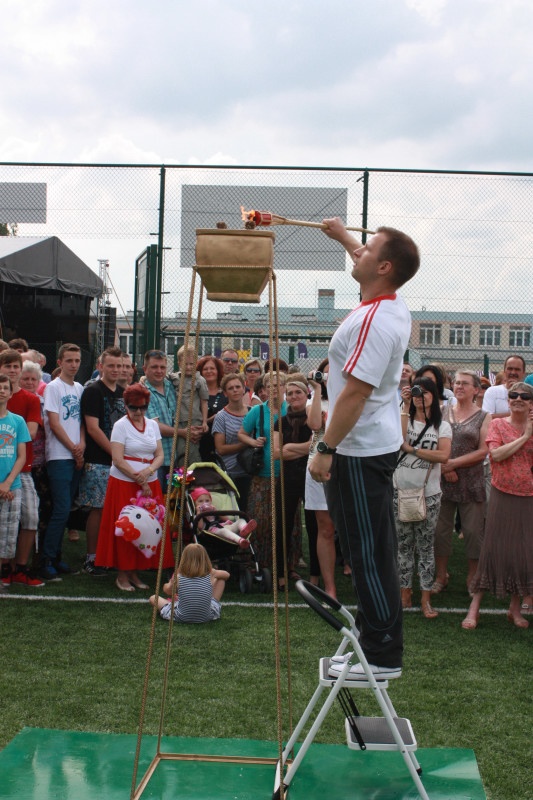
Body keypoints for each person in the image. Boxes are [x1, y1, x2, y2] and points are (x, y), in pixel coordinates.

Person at [309, 218, 420, 681]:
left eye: (368, 249)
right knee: (368, 547)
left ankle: (381, 654)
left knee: (368, 553)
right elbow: (366, 257)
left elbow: (355, 393)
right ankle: (374, 638)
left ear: (385, 267)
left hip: (356, 450)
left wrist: (325, 447)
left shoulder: (376, 320)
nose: (360, 252)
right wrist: (342, 236)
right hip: (366, 445)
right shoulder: (387, 300)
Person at [462, 382, 533, 630]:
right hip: (502, 494)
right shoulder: (498, 424)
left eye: (525, 396)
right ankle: (474, 608)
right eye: (513, 395)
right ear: (508, 399)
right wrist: (525, 436)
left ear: (531, 403)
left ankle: (515, 609)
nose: (518, 399)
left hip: (529, 496)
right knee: (493, 550)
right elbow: (497, 454)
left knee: (523, 553)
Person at [95, 383, 174, 591]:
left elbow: (160, 454)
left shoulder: (153, 425)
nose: (138, 412)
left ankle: (135, 572)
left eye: (143, 407)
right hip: (124, 483)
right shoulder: (120, 426)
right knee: (127, 528)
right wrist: (141, 479)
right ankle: (122, 574)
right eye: (133, 408)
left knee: (147, 527)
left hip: (150, 481)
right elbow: (117, 459)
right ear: (126, 406)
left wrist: (149, 472)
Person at [394, 377, 452, 618]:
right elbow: (398, 440)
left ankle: (425, 599)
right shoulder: (402, 418)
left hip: (429, 493)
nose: (420, 396)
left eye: (426, 392)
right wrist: (405, 404)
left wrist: (413, 450)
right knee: (404, 546)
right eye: (417, 391)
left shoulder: (442, 426)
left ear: (435, 396)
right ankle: (404, 593)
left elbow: (444, 456)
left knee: (426, 547)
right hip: (400, 491)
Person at [433, 371, 491, 594]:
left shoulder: (484, 416)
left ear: (476, 389)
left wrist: (452, 464)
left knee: (473, 533)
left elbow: (483, 450)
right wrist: (445, 468)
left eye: (465, 383)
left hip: (472, 482)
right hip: (442, 481)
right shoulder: (442, 411)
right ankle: (441, 576)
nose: (459, 386)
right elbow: (434, 442)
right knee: (440, 532)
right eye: (457, 382)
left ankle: (472, 576)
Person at [39, 344, 85, 582]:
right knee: (60, 508)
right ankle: (46, 559)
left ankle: (56, 556)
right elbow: (55, 423)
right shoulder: (53, 387)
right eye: (69, 360)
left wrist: (81, 446)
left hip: (75, 455)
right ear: (59, 362)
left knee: (66, 510)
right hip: (59, 455)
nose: (73, 365)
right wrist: (73, 448)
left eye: (77, 360)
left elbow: (82, 422)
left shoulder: (79, 387)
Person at [79, 346, 126, 576]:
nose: (116, 370)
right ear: (100, 367)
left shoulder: (124, 392)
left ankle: (109, 555)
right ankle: (92, 557)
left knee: (116, 510)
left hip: (120, 461)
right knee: (98, 508)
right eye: (111, 366)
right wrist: (115, 454)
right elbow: (93, 428)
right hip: (99, 460)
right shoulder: (93, 391)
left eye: (119, 366)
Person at [0, 349, 43, 586]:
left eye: (16, 366)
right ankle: (5, 567)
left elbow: (31, 432)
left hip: (21, 469)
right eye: (8, 366)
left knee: (31, 517)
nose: (13, 370)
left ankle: (21, 567)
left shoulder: (30, 399)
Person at [238, 371, 288, 570]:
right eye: (270, 386)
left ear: (284, 387)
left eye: (278, 385)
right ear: (265, 389)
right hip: (262, 473)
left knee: (286, 519)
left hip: (285, 473)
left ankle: (287, 562)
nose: (274, 389)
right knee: (260, 519)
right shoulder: (258, 411)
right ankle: (258, 558)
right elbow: (242, 434)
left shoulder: (291, 409)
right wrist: (253, 442)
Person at [272, 376, 318, 589]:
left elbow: (316, 445)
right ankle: (281, 574)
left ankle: (315, 575)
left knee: (314, 527)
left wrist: (290, 448)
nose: (293, 396)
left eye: (298, 392)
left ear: (306, 394)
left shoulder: (313, 419)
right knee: (282, 526)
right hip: (287, 479)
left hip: (311, 478)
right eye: (289, 393)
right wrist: (305, 448)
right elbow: (276, 453)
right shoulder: (280, 422)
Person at [305, 360, 340, 599]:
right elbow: (315, 424)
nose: (328, 378)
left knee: (352, 526)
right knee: (325, 527)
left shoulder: (351, 397)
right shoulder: (315, 400)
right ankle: (330, 588)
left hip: (347, 462)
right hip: (318, 464)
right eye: (324, 374)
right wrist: (316, 389)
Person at [0, 375, 32, 591]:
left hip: (12, 487)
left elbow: (22, 456)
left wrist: (8, 482)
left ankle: (3, 574)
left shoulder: (18, 421)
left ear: (11, 393)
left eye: (5, 388)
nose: (1, 391)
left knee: (7, 536)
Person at [150, 542, 229, 623]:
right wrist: (212, 580)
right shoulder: (211, 573)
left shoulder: (179, 576)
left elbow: (168, 591)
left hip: (181, 617)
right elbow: (227, 575)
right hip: (207, 617)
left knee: (153, 598)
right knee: (221, 579)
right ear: (205, 558)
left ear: (184, 559)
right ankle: (209, 604)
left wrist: (168, 584)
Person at [212, 372, 251, 509]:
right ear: (225, 393)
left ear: (244, 389)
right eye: (230, 388)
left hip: (250, 470)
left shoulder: (253, 412)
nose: (235, 390)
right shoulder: (221, 417)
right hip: (230, 473)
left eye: (238, 387)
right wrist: (246, 443)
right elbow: (220, 449)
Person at [143, 349, 177, 493]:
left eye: (162, 367)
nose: (159, 371)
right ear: (145, 369)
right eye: (154, 367)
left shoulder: (172, 386)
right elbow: (154, 426)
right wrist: (183, 432)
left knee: (174, 500)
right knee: (156, 499)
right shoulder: (144, 392)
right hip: (156, 460)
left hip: (176, 456)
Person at [168, 346, 208, 467]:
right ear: (179, 363)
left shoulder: (199, 380)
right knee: (180, 449)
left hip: (193, 419)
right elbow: (162, 377)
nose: (189, 367)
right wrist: (143, 378)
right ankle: (182, 472)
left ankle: (195, 472)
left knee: (192, 449)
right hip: (178, 420)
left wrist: (204, 422)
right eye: (185, 364)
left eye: (192, 364)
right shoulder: (175, 378)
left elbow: (204, 401)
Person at [190, 486, 255, 548]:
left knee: (241, 520)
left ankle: (244, 529)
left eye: (207, 501)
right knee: (223, 531)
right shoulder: (197, 515)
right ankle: (240, 540)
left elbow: (226, 519)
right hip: (213, 533)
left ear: (211, 501)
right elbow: (200, 527)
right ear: (195, 503)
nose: (204, 503)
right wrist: (199, 513)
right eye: (200, 501)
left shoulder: (213, 510)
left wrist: (216, 511)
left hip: (224, 526)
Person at [197, 355, 227, 461]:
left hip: (221, 441)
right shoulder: (195, 393)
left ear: (218, 371)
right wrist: (210, 419)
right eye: (205, 369)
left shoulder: (226, 391)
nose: (209, 371)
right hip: (199, 440)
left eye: (212, 368)